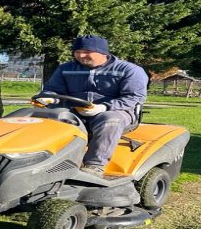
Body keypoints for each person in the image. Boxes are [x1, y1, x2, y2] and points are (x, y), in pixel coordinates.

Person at [40, 35, 149, 175]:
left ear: (103, 52)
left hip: (117, 110)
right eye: (77, 52)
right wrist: (49, 98)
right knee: (47, 117)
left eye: (86, 52)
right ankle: (47, 159)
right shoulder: (65, 68)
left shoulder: (129, 70)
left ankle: (94, 165)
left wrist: (103, 107)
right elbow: (53, 90)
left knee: (110, 120)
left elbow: (135, 97)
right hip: (75, 110)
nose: (81, 55)